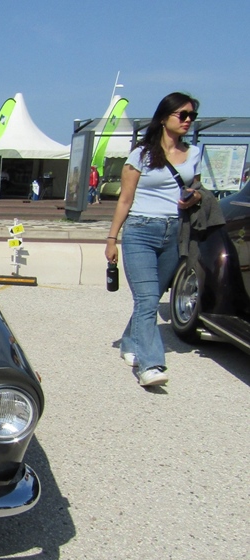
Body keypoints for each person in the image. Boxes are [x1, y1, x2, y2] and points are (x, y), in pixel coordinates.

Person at [105, 92, 202, 388]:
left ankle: (130, 342)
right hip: (141, 230)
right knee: (147, 299)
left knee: (151, 297)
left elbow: (196, 187)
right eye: (182, 115)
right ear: (163, 118)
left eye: (192, 116)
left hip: (175, 232)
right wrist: (112, 238)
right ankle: (151, 365)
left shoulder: (193, 153)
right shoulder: (141, 154)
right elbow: (125, 199)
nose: (187, 120)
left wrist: (193, 196)